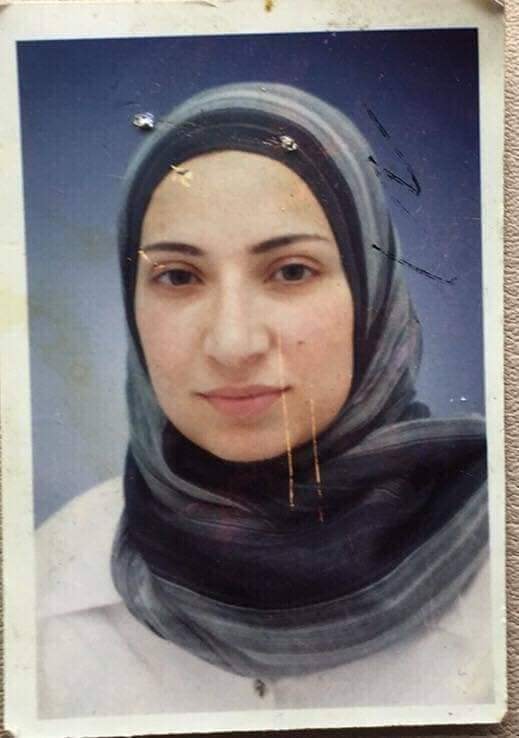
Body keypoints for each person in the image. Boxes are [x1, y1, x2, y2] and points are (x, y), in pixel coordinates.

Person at [37, 83, 492, 719]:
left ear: (373, 292)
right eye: (178, 276)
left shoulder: (498, 557)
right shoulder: (47, 587)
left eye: (291, 271)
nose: (234, 343)